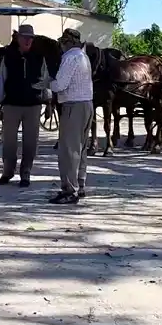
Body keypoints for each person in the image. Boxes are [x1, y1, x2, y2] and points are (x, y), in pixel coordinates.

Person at [41, 28, 93, 204]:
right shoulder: (83, 56)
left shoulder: (70, 57)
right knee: (81, 147)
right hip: (87, 104)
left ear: (67, 43)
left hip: (73, 106)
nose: (61, 47)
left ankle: (70, 190)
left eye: (62, 43)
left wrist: (47, 82)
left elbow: (60, 85)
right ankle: (81, 183)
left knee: (68, 150)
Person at [0, 24, 50, 188]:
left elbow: (45, 80)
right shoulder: (9, 56)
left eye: (30, 38)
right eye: (24, 37)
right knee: (9, 141)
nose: (27, 40)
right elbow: (1, 79)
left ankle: (25, 174)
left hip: (33, 105)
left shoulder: (39, 57)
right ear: (18, 38)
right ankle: (7, 172)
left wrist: (48, 103)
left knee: (31, 142)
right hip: (12, 104)